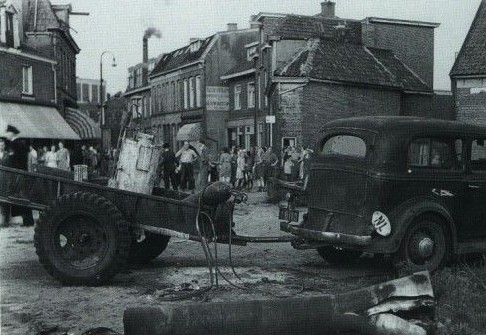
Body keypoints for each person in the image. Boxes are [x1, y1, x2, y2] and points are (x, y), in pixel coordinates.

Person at [3, 125, 34, 226]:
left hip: (17, 175)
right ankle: (27, 220)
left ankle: (27, 221)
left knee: (20, 197)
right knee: (22, 197)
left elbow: (12, 161)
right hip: (21, 174)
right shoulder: (21, 144)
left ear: (12, 133)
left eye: (7, 132)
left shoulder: (14, 144)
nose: (6, 134)